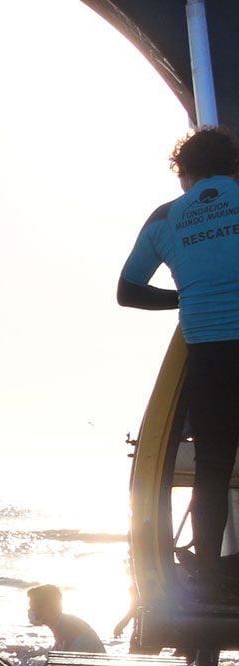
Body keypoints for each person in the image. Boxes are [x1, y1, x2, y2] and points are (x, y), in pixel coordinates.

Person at [118, 126, 239, 580]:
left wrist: (186, 295)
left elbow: (128, 291)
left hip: (207, 356)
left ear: (184, 173)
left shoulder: (166, 217)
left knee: (212, 466)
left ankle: (207, 571)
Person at [26, 584, 105, 653]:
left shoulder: (69, 631)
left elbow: (60, 665)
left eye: (33, 608)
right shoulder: (64, 624)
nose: (30, 611)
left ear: (47, 609)